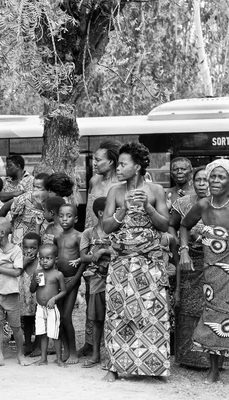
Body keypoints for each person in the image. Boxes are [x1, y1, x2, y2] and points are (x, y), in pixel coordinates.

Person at [102, 141, 170, 382]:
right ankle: (114, 367)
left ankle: (156, 367)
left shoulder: (156, 190)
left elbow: (165, 225)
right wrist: (122, 211)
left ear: (138, 166)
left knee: (152, 313)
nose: (118, 168)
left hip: (150, 263)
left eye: (122, 164)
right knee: (118, 312)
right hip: (121, 264)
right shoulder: (115, 191)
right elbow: (106, 227)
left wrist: (147, 207)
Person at [180, 159, 229, 383]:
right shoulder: (203, 205)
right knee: (212, 314)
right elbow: (183, 225)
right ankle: (214, 370)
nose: (215, 181)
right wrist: (184, 251)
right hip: (211, 272)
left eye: (222, 177)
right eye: (213, 176)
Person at [80, 140, 120, 358]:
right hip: (92, 243)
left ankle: (113, 341)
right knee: (91, 292)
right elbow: (89, 214)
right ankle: (90, 342)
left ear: (112, 162)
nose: (93, 163)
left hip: (113, 244)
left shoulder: (122, 184)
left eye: (98, 160)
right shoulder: (94, 180)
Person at [169, 166, 210, 367]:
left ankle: (210, 356)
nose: (202, 184)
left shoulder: (220, 204)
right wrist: (176, 244)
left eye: (206, 180)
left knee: (210, 307)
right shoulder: (183, 202)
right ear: (192, 182)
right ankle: (187, 355)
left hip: (212, 262)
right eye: (199, 180)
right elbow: (172, 224)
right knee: (186, 306)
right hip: (187, 261)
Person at [0, 217, 29, 367]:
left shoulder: (16, 250)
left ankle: (20, 354)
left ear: (2, 233)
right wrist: (8, 266)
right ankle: (0, 356)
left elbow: (17, 272)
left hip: (11, 294)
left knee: (16, 327)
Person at [79, 197, 111, 368]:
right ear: (100, 213)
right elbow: (83, 256)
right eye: (112, 208)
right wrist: (97, 256)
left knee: (114, 318)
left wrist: (103, 251)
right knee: (97, 319)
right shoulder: (88, 233)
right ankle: (96, 354)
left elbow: (123, 252)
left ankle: (113, 356)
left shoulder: (117, 231)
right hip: (96, 280)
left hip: (115, 279)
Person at [53, 204, 84, 364]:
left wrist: (76, 280)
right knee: (59, 316)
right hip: (59, 281)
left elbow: (83, 261)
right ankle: (65, 349)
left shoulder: (79, 236)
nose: (65, 219)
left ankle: (73, 352)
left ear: (76, 218)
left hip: (72, 281)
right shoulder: (57, 237)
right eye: (62, 215)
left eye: (69, 216)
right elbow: (54, 258)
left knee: (66, 316)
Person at [30, 243, 67, 367]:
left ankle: (59, 359)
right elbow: (32, 290)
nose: (44, 261)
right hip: (40, 308)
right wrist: (35, 282)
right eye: (41, 258)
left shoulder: (58, 274)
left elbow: (64, 291)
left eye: (48, 258)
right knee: (42, 333)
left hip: (52, 308)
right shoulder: (37, 273)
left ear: (55, 259)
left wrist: (54, 299)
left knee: (55, 333)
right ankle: (43, 358)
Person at [20, 232, 41, 356]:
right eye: (26, 247)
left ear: (39, 248)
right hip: (25, 299)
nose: (29, 251)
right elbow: (17, 272)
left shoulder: (41, 261)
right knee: (27, 320)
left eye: (33, 248)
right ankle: (27, 344)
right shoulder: (20, 261)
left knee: (39, 321)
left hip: (38, 298)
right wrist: (25, 262)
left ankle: (38, 345)